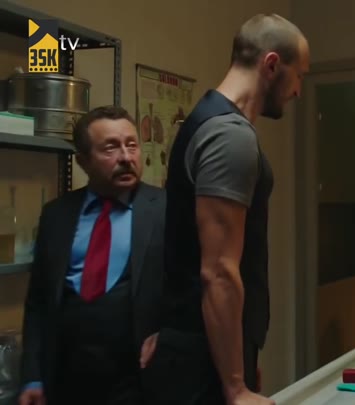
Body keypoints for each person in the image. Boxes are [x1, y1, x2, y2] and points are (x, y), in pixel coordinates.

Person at [139, 13, 309, 405]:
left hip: (205, 352)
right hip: (200, 363)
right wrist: (234, 385)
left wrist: (240, 356)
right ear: (271, 65)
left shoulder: (209, 120)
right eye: (299, 75)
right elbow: (218, 271)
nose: (299, 90)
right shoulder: (230, 137)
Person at [18, 106, 166, 405]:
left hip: (140, 382)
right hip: (67, 383)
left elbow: (192, 289)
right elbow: (38, 303)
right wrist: (32, 376)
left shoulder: (168, 209)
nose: (126, 157)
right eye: (110, 148)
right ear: (82, 161)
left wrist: (170, 335)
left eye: (132, 145)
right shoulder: (56, 215)